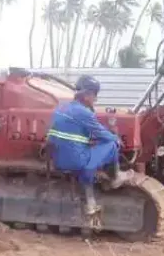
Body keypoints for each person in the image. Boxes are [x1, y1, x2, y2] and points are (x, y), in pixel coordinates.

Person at [46, 75, 132, 216]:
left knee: (82, 151)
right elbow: (101, 133)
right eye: (95, 96)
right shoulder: (84, 113)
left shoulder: (61, 108)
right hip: (76, 161)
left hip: (58, 161)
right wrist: (116, 138)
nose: (95, 99)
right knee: (111, 144)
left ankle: (89, 200)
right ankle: (115, 177)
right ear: (87, 95)